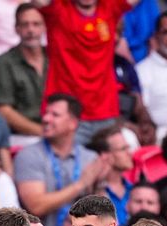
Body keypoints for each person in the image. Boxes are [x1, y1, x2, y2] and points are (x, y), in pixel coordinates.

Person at [36, 0, 137, 144]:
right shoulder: (58, 10)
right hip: (68, 114)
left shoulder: (109, 7)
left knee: (108, 165)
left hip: (105, 111)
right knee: (68, 165)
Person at [14, 94, 104, 226]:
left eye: (55, 115)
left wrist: (100, 185)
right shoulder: (29, 155)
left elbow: (101, 204)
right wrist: (80, 185)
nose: (46, 119)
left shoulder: (90, 158)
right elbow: (36, 205)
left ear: (73, 123)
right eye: (46, 113)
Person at [0, 3, 47, 141]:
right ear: (17, 29)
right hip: (21, 136)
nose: (31, 30)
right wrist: (42, 132)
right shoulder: (3, 63)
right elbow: (3, 110)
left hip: (58, 131)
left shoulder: (55, 57)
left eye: (36, 24)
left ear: (44, 27)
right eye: (25, 25)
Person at [89, 126, 134, 226]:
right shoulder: (92, 190)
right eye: (123, 149)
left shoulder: (133, 188)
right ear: (105, 155)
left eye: (128, 148)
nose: (129, 153)